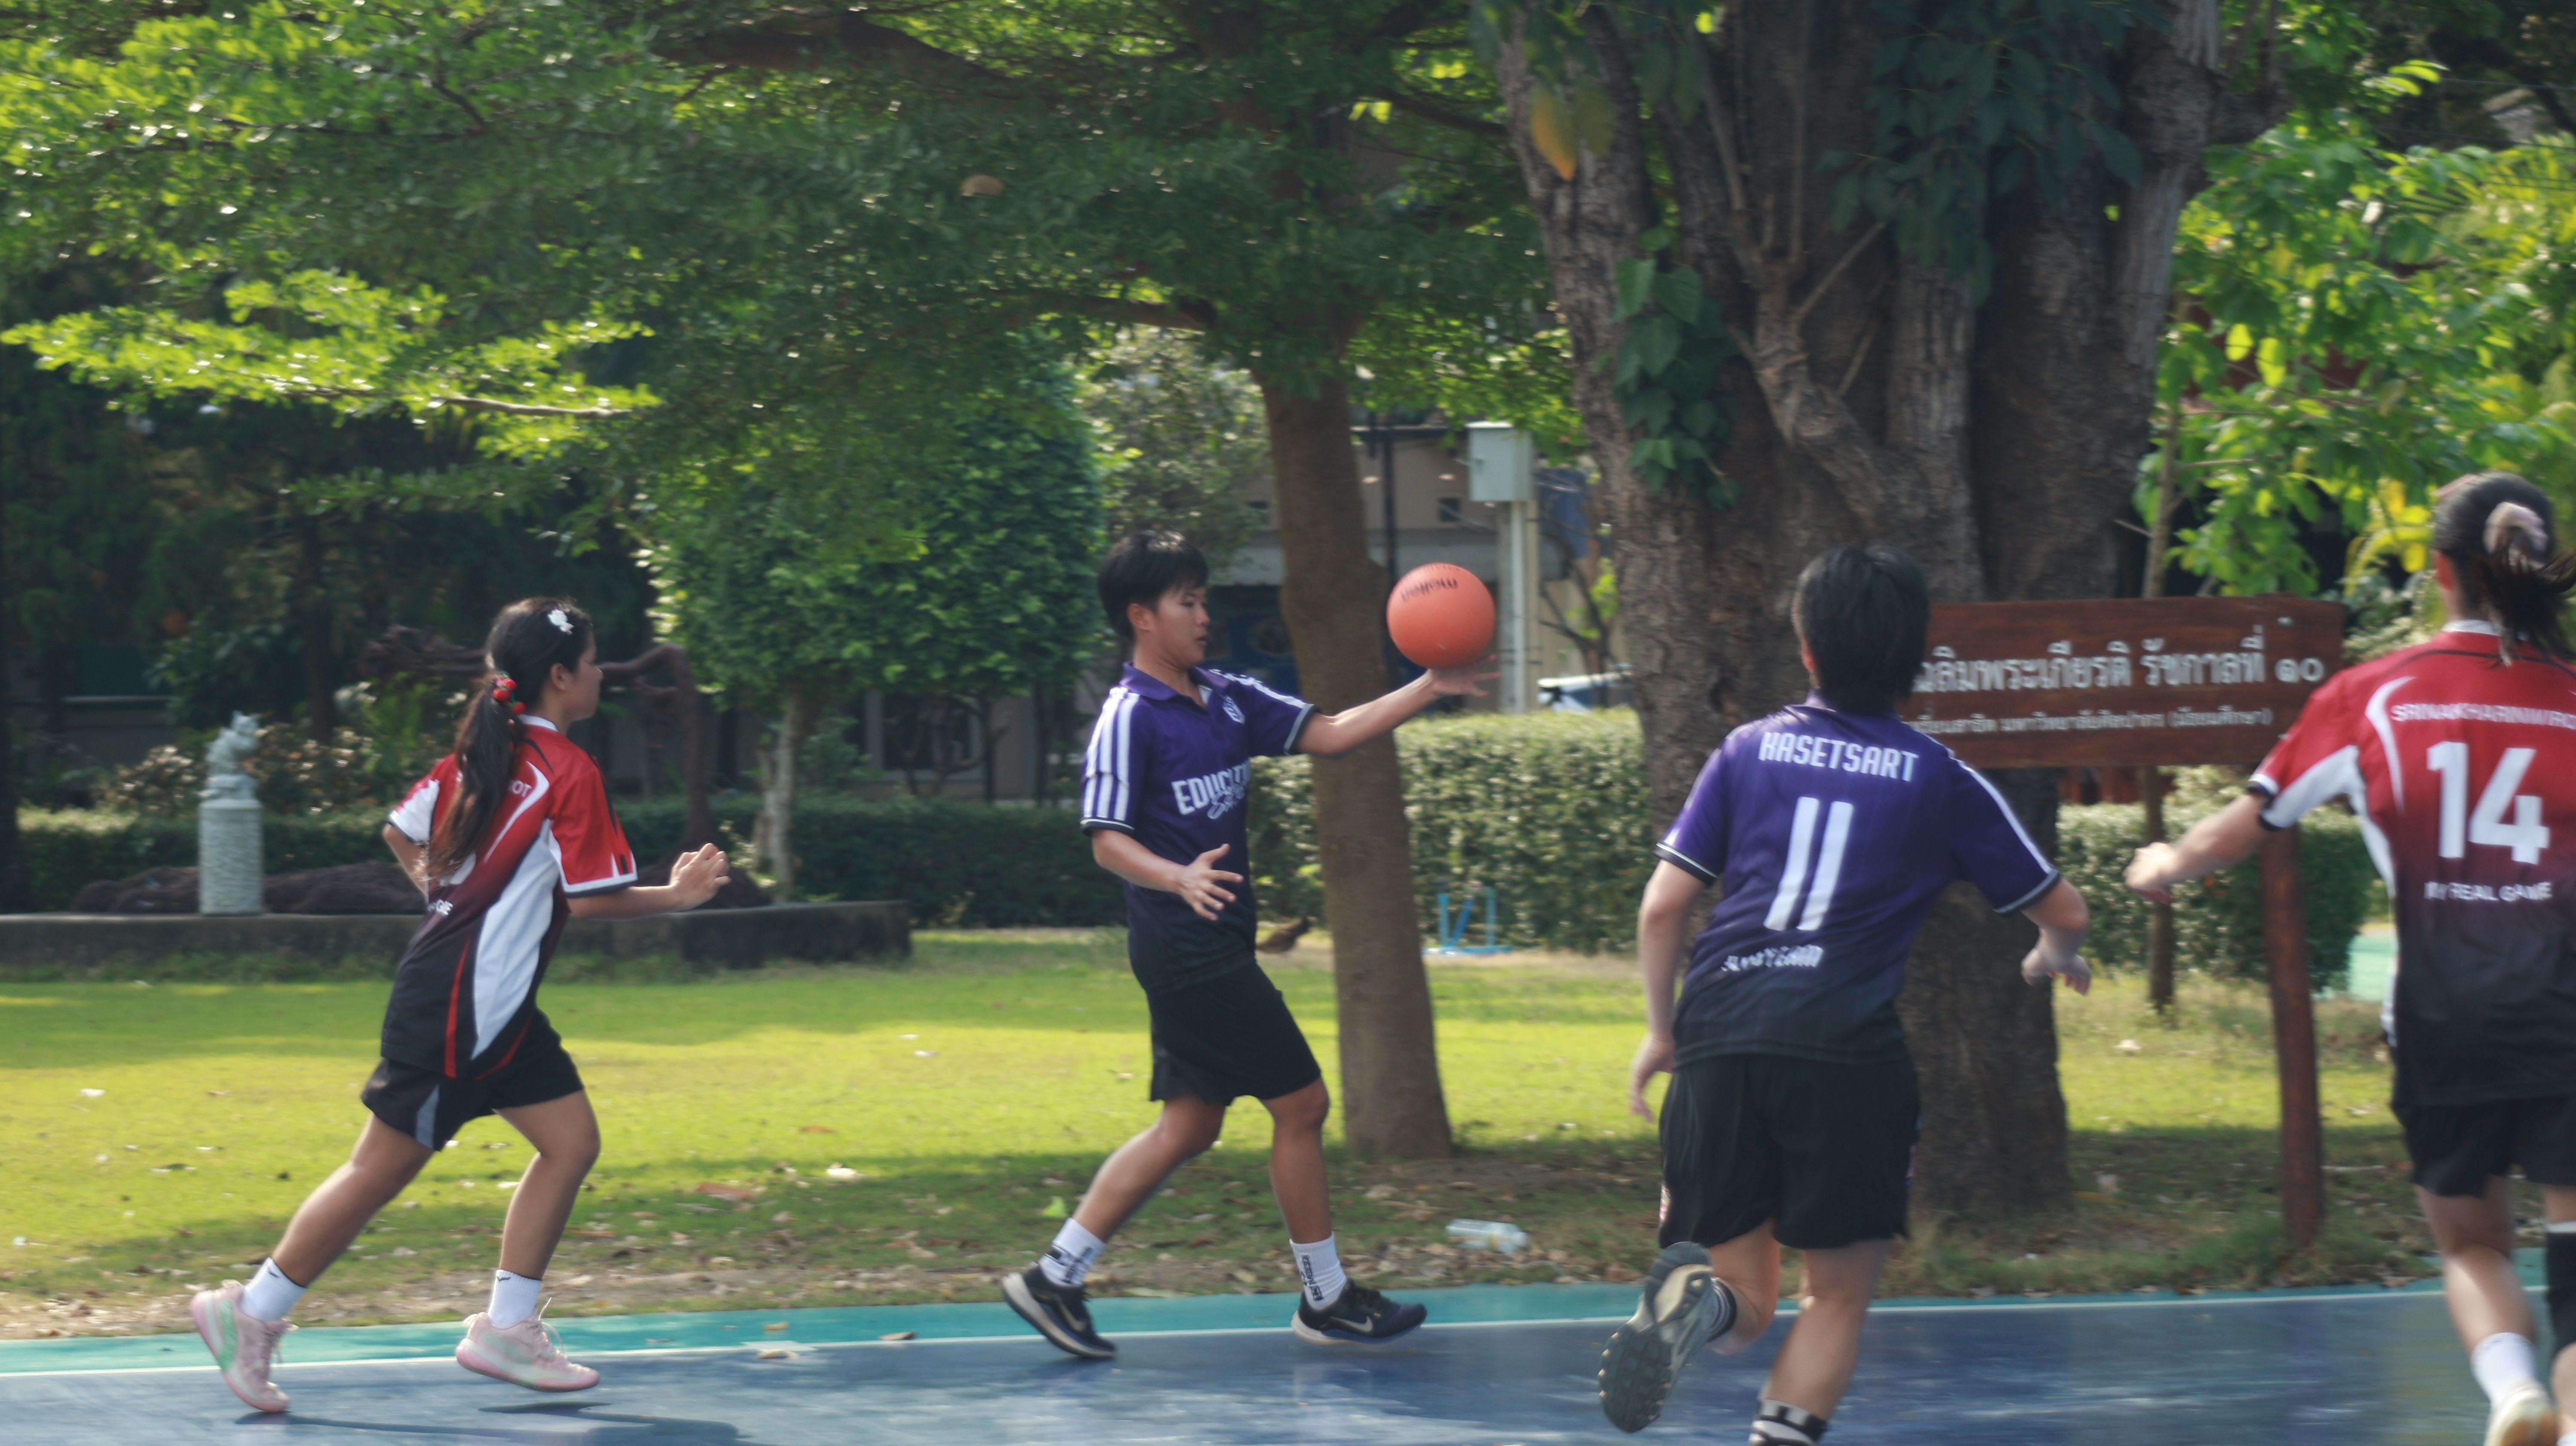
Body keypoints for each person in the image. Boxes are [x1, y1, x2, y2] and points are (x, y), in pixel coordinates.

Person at [1598, 543, 2093, 1440]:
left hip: (1719, 1034)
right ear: (1919, 661)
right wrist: (2052, 952)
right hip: (1845, 1047)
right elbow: (2064, 908)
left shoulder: (1747, 749)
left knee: (1741, 1302)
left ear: (1807, 648)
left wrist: (1663, 1033)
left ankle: (1694, 1308)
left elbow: (1662, 906)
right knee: (1832, 1296)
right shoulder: (1939, 776)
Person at [189, 598, 732, 1413]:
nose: (600, 673)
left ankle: (507, 1329)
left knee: (571, 1143)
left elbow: (399, 831)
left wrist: (442, 896)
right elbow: (590, 901)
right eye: (592, 661)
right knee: (380, 1170)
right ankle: (252, 1312)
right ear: (561, 676)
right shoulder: (567, 771)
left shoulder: (481, 755)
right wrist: (678, 897)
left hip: (490, 1002)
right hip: (463, 1007)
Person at [2126, 472, 2576, 1446]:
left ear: (2439, 570)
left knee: (2472, 1243)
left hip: (2441, 1017)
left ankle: (2513, 1391)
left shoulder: (2374, 697)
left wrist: (2164, 862)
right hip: (2566, 1012)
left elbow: (2245, 826)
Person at [1002, 530, 1480, 1359]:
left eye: (1202, 598)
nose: (1203, 615)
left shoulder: (1223, 698)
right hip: (1187, 951)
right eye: (1186, 602)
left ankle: (1055, 1276)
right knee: (1303, 1105)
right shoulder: (1128, 717)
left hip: (1213, 947)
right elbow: (1106, 840)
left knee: (1189, 1127)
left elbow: (1332, 732)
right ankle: (1327, 1297)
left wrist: (1428, 686)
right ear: (1141, 617)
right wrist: (1178, 877)